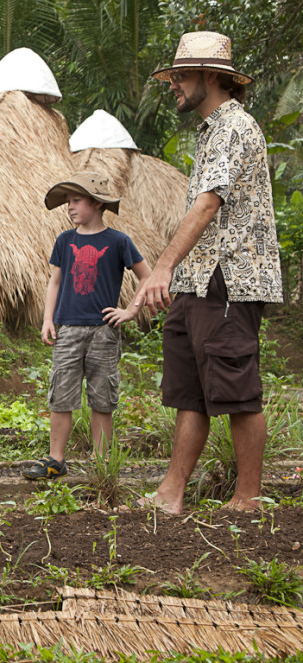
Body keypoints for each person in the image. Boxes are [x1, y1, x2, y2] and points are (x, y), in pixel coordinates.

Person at [134, 31, 283, 513]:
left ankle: (247, 499)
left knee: (237, 390)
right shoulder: (211, 132)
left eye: (180, 76)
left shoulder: (235, 127)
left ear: (210, 77)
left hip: (229, 277)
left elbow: (206, 206)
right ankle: (170, 493)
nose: (172, 85)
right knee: (190, 394)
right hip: (198, 280)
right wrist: (174, 276)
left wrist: (161, 267)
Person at [22, 173, 151, 480]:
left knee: (102, 396)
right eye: (68, 201)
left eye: (76, 200)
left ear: (96, 203)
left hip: (103, 330)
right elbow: (54, 281)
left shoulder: (119, 241)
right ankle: (56, 459)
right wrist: (47, 318)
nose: (70, 206)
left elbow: (147, 275)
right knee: (60, 394)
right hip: (67, 328)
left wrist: (130, 311)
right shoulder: (65, 240)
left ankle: (100, 460)